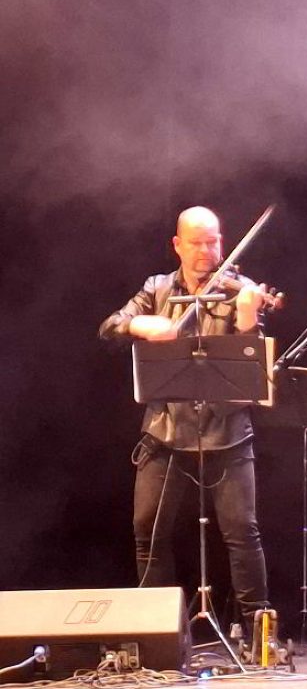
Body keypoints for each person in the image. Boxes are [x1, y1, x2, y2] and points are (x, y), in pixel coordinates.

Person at [98, 206, 272, 630]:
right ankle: (155, 630)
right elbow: (110, 327)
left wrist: (248, 316)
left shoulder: (239, 290)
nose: (206, 251)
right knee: (148, 531)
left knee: (242, 533)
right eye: (196, 243)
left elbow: (253, 364)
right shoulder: (157, 288)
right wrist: (141, 326)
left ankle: (258, 632)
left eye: (213, 242)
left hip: (227, 431)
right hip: (166, 431)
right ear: (178, 245)